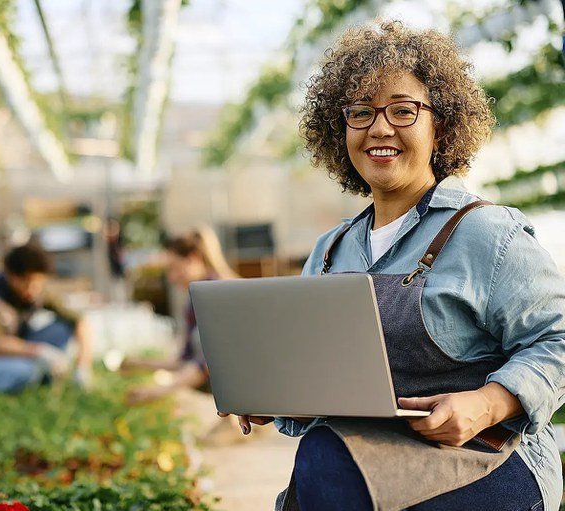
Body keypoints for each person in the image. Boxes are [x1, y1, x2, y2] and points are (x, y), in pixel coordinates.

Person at [223, 21, 565, 511]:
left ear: (440, 125)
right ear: (339, 130)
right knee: (324, 453)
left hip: (483, 456)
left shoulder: (486, 233)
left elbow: (559, 338)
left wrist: (488, 402)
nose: (380, 128)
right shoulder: (329, 251)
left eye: (403, 110)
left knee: (326, 462)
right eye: (361, 112)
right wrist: (272, 392)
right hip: (362, 460)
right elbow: (326, 382)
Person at [0, 243, 93, 393]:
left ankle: (42, 375)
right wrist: (41, 352)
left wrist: (83, 367)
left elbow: (79, 320)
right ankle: (34, 378)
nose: (33, 290)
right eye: (27, 283)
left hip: (19, 351)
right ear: (11, 276)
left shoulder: (36, 290)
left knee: (62, 328)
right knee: (27, 371)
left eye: (38, 284)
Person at [124, 225, 239, 405]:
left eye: (174, 268)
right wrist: (139, 364)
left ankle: (233, 419)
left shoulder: (218, 294)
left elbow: (212, 361)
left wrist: (159, 391)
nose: (170, 278)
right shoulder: (195, 298)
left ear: (192, 259)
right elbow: (185, 360)